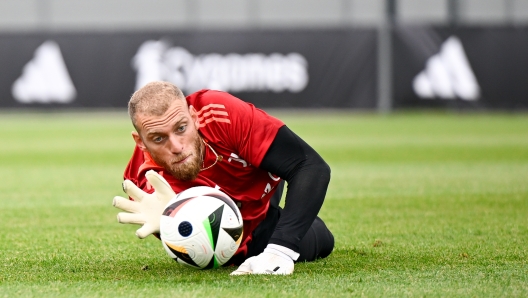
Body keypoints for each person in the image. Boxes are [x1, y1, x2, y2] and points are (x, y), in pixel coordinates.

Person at [113, 81, 334, 275]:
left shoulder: (219, 112)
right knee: (324, 240)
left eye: (181, 128)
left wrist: (281, 251)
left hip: (259, 175)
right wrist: (168, 224)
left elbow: (309, 166)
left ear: (194, 117)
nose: (177, 147)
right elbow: (207, 253)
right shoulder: (142, 187)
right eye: (158, 138)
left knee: (288, 235)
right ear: (140, 141)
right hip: (252, 229)